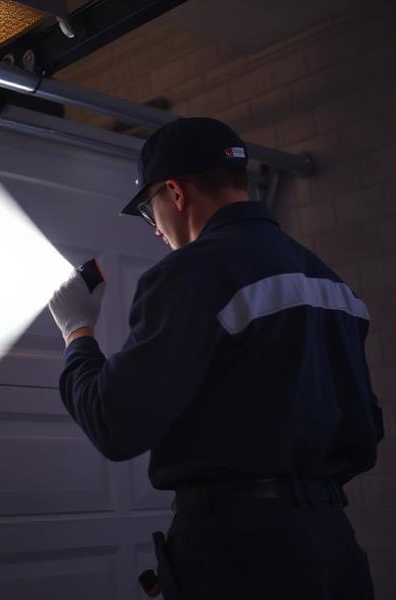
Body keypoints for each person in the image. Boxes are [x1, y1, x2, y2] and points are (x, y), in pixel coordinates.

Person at [47, 117, 383, 600]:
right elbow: (365, 426)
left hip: (241, 556)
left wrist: (76, 330)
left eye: (149, 210)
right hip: (334, 547)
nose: (156, 230)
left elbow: (114, 423)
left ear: (176, 193)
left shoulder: (188, 275)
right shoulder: (331, 284)